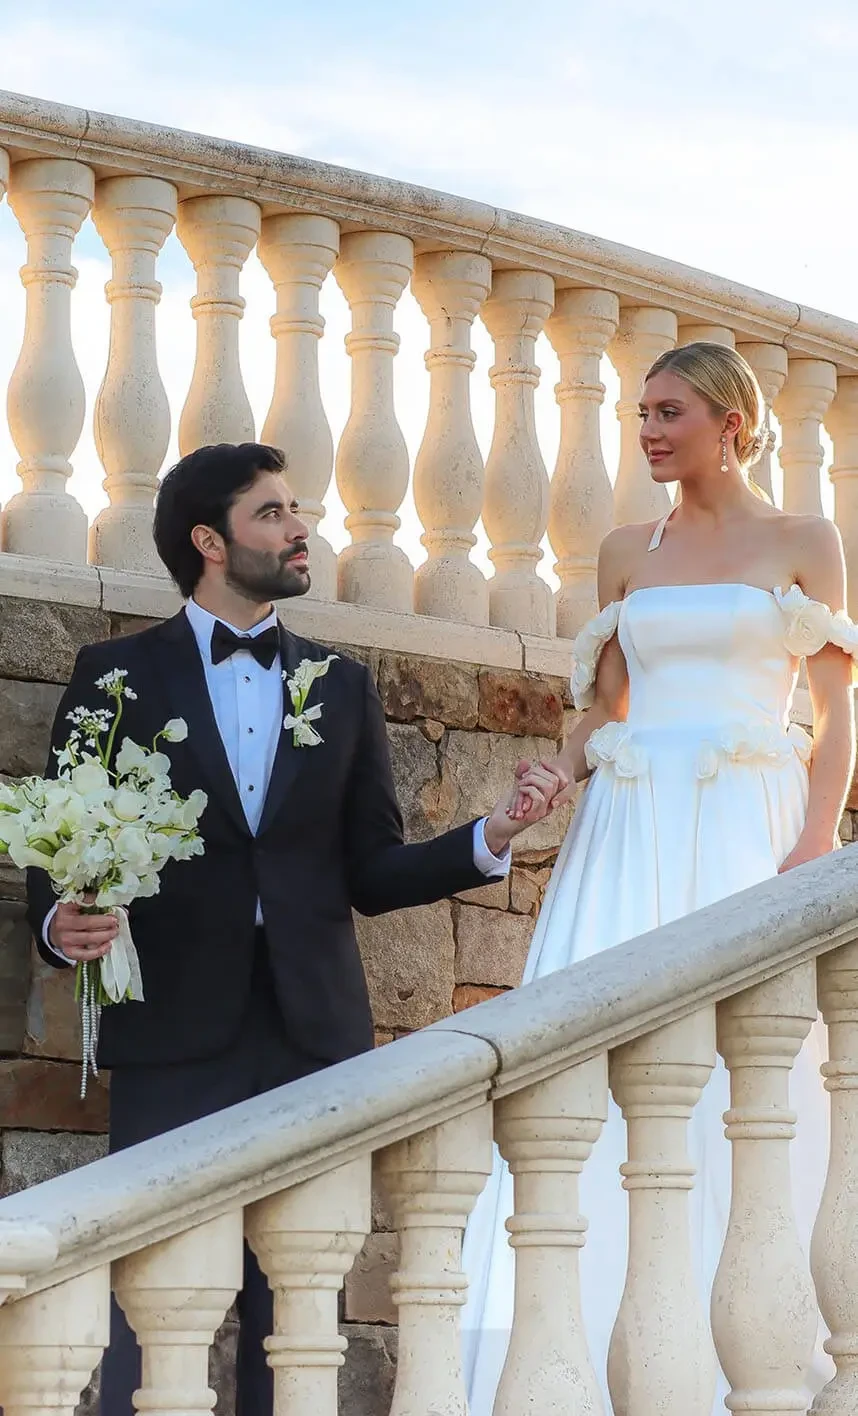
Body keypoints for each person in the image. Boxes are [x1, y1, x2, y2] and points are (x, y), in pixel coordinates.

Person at [26, 442, 564, 1416]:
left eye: (295, 508)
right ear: (210, 541)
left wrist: (494, 833)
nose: (299, 527)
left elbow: (372, 872)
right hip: (175, 1035)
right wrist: (62, 923)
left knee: (298, 1312)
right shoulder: (113, 678)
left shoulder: (341, 685)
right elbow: (60, 844)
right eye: (272, 513)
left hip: (316, 1040)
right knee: (144, 1297)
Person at [461, 342, 857, 1413]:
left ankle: (768, 1350)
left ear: (729, 421)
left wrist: (814, 841)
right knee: (590, 1073)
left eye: (668, 410)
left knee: (750, 1076)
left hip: (747, 824)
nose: (646, 430)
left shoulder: (804, 539)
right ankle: (576, 1370)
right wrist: (568, 756)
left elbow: (833, 721)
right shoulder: (624, 552)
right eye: (640, 411)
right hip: (628, 833)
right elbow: (610, 709)